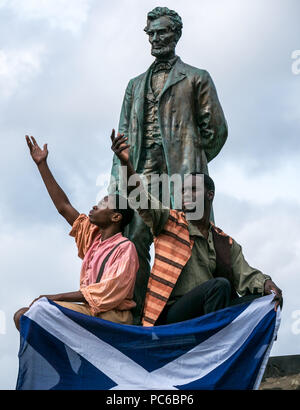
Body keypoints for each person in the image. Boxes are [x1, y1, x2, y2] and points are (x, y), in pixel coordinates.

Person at [109, 7, 228, 325]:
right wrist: (118, 189)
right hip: (143, 176)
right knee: (134, 243)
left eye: (162, 32)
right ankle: (140, 317)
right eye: (151, 33)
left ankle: (195, 315)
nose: (156, 38)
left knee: (192, 243)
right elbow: (121, 137)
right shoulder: (134, 85)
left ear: (176, 34)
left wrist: (193, 159)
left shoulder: (196, 77)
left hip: (184, 178)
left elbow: (216, 131)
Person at [111, 132, 283, 327]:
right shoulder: (170, 221)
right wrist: (126, 164)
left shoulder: (224, 241)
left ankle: (230, 344)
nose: (186, 194)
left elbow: (247, 275)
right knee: (219, 287)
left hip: (211, 309)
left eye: (193, 189)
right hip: (172, 315)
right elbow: (141, 198)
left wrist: (267, 285)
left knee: (264, 302)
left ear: (209, 195)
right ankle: (212, 342)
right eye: (183, 190)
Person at [13, 136, 139, 331]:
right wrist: (42, 165)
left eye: (104, 203)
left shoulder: (125, 248)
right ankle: (54, 358)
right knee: (23, 316)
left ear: (116, 217)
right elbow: (64, 207)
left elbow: (104, 292)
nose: (96, 205)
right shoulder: (93, 238)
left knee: (39, 311)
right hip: (91, 311)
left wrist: (56, 297)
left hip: (112, 317)